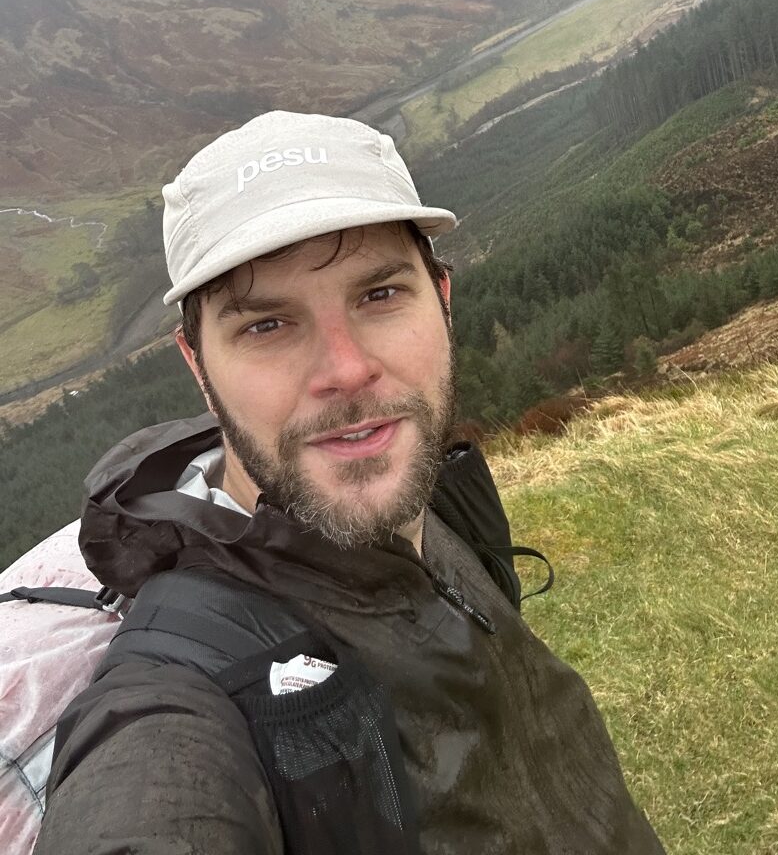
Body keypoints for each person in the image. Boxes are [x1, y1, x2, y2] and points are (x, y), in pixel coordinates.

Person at [35, 111, 665, 854]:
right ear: (198, 365)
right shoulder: (176, 703)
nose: (346, 370)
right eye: (266, 325)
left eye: (379, 295)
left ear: (443, 300)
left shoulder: (435, 499)